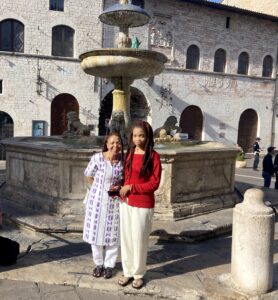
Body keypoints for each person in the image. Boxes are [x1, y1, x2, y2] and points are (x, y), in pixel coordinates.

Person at [118, 120, 162, 289]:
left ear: (148, 136)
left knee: (139, 239)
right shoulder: (129, 153)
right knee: (127, 239)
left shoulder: (153, 156)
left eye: (141, 135)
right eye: (135, 135)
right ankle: (127, 271)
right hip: (126, 202)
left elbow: (154, 184)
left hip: (143, 204)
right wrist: (121, 187)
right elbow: (126, 177)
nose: (138, 139)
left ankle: (138, 274)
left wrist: (132, 187)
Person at [83, 132, 124, 279]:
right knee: (96, 233)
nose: (115, 146)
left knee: (113, 234)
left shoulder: (123, 161)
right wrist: (95, 189)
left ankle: (109, 265)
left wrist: (119, 187)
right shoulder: (98, 158)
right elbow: (88, 173)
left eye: (118, 142)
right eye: (112, 142)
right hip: (97, 201)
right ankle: (98, 263)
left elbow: (124, 179)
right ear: (106, 144)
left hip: (114, 202)